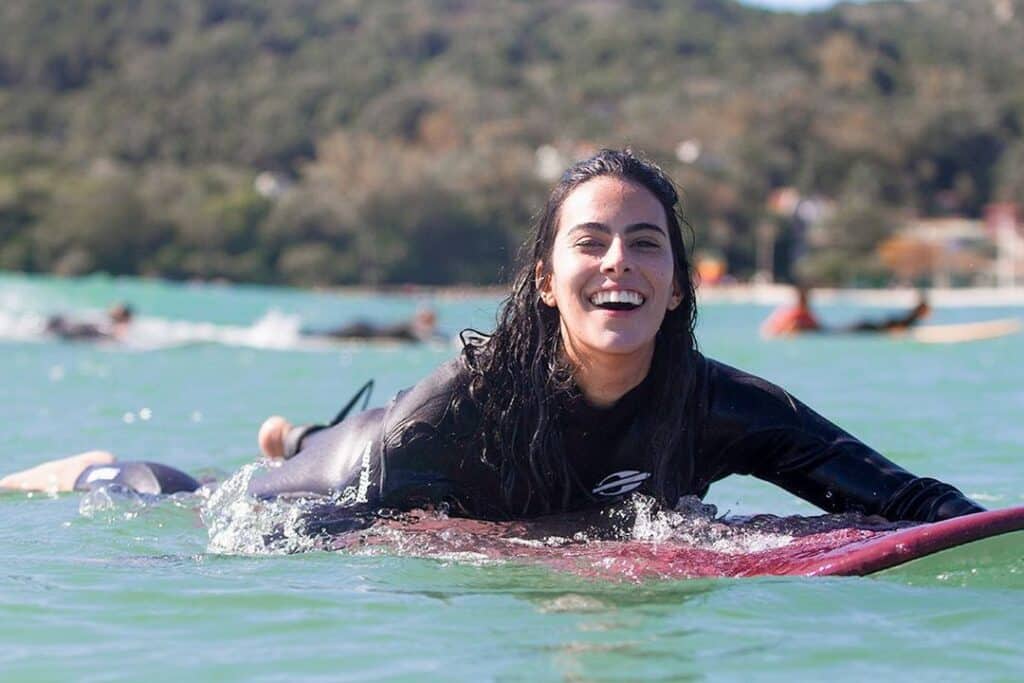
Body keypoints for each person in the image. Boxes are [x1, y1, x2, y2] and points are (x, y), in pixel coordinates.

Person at [3, 150, 982, 532]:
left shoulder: (721, 403)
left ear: (679, 282)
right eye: (589, 242)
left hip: (431, 471)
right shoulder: (463, 404)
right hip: (354, 473)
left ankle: (294, 427)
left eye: (646, 244)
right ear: (547, 281)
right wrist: (535, 552)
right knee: (183, 494)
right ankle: (103, 462)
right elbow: (306, 538)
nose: (619, 263)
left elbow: (908, 501)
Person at [761, 287, 931, 338]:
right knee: (879, 325)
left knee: (879, 325)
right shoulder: (796, 314)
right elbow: (787, 329)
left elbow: (771, 328)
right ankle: (915, 313)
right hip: (836, 332)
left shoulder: (792, 312)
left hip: (836, 331)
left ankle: (914, 314)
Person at [302, 307, 440, 343]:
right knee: (327, 336)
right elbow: (419, 338)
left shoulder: (409, 326)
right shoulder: (410, 327)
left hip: (363, 329)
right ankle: (304, 333)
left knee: (326, 335)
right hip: (361, 330)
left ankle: (304, 332)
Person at [45, 302, 135, 342]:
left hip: (78, 331)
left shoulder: (117, 326)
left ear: (123, 316)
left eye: (117, 309)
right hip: (73, 327)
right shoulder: (105, 317)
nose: (113, 309)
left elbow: (116, 337)